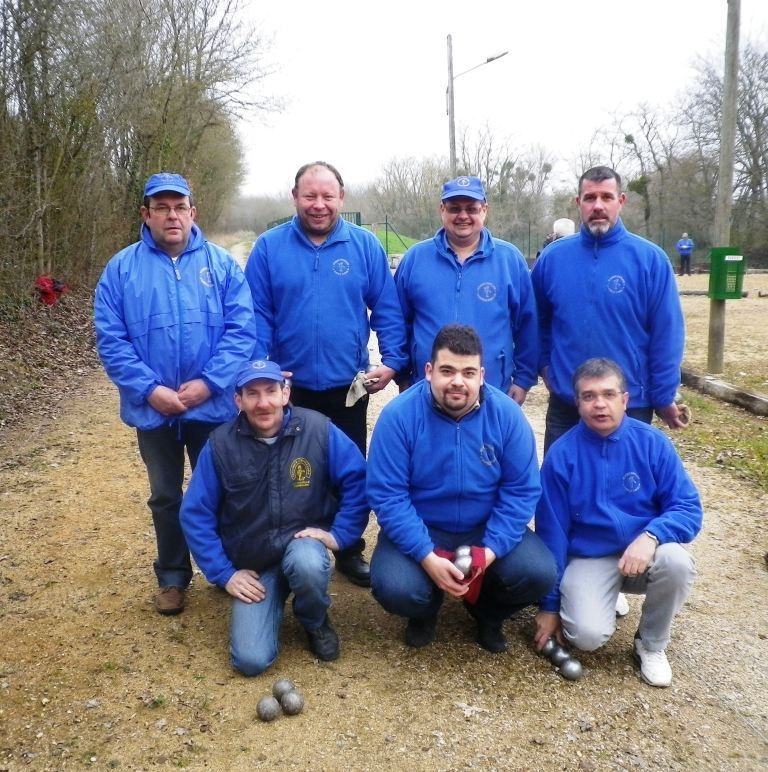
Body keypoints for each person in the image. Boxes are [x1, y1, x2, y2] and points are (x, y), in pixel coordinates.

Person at [94, 172, 257, 616]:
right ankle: (172, 576)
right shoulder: (121, 269)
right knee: (166, 495)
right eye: (161, 207)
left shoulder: (222, 266)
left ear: (192, 212)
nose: (171, 215)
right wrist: (151, 390)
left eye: (178, 206)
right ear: (146, 214)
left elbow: (242, 332)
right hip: (155, 411)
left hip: (212, 406)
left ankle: (225, 568)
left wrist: (209, 383)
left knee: (221, 490)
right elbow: (111, 340)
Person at [245, 161, 408, 587]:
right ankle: (288, 550)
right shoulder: (268, 247)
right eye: (310, 196)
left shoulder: (365, 247)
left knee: (349, 471)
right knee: (289, 472)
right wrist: (264, 372)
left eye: (327, 196)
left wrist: (391, 360)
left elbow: (387, 307)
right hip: (288, 388)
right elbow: (257, 314)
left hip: (347, 387)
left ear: (342, 197)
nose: (319, 205)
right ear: (295, 197)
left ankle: (348, 547)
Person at [367, 324, 556, 652]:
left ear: (482, 375)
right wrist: (426, 556)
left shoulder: (507, 416)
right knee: (394, 587)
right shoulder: (398, 416)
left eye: (468, 372)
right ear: (429, 371)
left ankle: (487, 613)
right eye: (447, 370)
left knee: (539, 573)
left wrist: (490, 550)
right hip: (425, 526)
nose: (458, 381)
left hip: (483, 529)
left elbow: (522, 490)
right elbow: (387, 495)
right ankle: (424, 610)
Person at [179, 360, 368, 675]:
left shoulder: (319, 429)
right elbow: (195, 514)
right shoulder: (220, 445)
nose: (263, 402)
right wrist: (225, 573)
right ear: (237, 401)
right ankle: (272, 602)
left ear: (286, 393)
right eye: (252, 394)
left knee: (308, 564)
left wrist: (339, 535)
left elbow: (358, 480)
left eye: (270, 391)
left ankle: (314, 620)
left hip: (303, 546)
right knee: (251, 661)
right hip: (255, 564)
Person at [533, 358, 702, 687]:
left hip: (642, 555)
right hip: (590, 558)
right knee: (586, 636)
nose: (600, 404)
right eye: (589, 396)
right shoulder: (562, 456)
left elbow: (688, 507)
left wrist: (652, 535)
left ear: (625, 399)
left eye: (609, 394)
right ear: (576, 402)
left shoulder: (652, 444)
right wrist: (550, 606)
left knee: (677, 561)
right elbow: (552, 534)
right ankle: (603, 596)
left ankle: (650, 645)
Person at [531, 165, 688, 453]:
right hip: (568, 404)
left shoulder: (650, 260)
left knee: (627, 493)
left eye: (607, 197)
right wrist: (545, 367)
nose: (598, 206)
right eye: (590, 198)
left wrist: (664, 395)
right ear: (579, 203)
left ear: (621, 201)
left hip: (631, 404)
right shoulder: (552, 259)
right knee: (561, 490)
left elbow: (668, 333)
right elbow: (536, 321)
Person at [394, 175, 538, 405]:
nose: (463, 216)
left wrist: (523, 380)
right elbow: (398, 321)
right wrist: (401, 375)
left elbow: (528, 325)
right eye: (454, 208)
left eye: (471, 208)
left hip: (493, 390)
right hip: (425, 390)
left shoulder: (509, 260)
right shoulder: (415, 259)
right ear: (442, 209)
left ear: (484, 210)